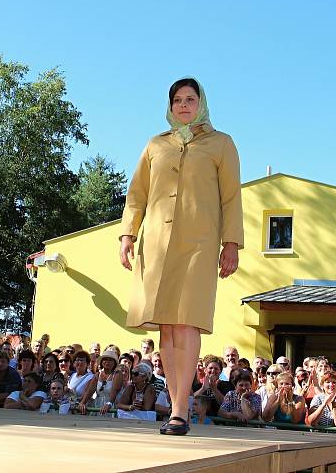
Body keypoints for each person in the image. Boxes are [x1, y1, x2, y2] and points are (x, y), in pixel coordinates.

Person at [119, 77, 243, 436]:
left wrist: (231, 243)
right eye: (177, 100)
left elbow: (231, 197)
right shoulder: (156, 144)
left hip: (199, 244)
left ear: (201, 103)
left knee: (187, 322)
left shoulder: (221, 143)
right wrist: (128, 234)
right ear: (170, 106)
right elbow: (137, 194)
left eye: (190, 98)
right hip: (156, 245)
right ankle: (176, 406)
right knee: (167, 328)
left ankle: (179, 410)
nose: (184, 105)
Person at [192, 356, 233, 423]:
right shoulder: (198, 386)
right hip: (200, 422)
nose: (213, 371)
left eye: (216, 369)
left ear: (220, 371)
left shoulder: (226, 385)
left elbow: (226, 405)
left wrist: (214, 389)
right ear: (205, 370)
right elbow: (191, 402)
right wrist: (203, 389)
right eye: (210, 368)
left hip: (220, 422)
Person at [84, 348, 123, 416]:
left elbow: (114, 390)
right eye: (105, 359)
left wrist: (109, 403)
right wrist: (83, 403)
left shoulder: (117, 374)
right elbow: (90, 391)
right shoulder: (97, 374)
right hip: (97, 405)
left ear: (114, 363)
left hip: (111, 406)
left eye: (110, 360)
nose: (107, 362)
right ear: (101, 361)